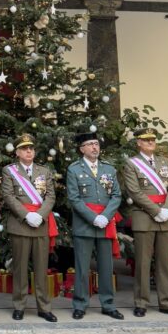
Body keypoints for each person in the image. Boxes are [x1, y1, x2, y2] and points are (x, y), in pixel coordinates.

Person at [122, 127, 168, 318]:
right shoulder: (131, 164)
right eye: (146, 140)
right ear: (138, 143)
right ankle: (141, 302)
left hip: (164, 217)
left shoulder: (164, 162)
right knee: (142, 262)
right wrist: (156, 210)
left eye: (153, 139)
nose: (151, 142)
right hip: (145, 216)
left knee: (165, 262)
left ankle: (167, 302)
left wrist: (165, 209)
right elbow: (134, 191)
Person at [66, 131, 123, 320]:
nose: (94, 147)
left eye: (96, 144)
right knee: (82, 267)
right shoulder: (74, 169)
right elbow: (74, 198)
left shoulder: (109, 169)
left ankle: (108, 304)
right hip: (85, 224)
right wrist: (93, 217)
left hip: (105, 223)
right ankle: (80, 304)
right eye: (90, 144)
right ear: (82, 148)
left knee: (106, 266)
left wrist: (106, 216)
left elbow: (116, 195)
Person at [1, 134, 57, 322]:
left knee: (42, 269)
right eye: (24, 148)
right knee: (20, 268)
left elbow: (50, 196)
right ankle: (19, 305)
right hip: (20, 225)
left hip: (40, 224)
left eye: (31, 148)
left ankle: (44, 307)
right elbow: (8, 196)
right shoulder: (9, 171)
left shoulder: (44, 171)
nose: (29, 151)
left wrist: (39, 215)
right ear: (17, 152)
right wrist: (27, 215)